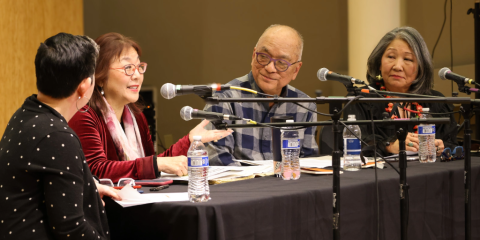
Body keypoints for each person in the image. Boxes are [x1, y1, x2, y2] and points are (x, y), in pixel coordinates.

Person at [0, 33, 120, 239]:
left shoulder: (25, 114)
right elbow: (71, 229)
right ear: (84, 86)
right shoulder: (58, 135)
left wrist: (88, 188)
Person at [69, 33, 232, 183]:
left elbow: (153, 165)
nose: (137, 75)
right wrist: (156, 164)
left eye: (139, 67)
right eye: (128, 68)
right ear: (100, 76)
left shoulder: (136, 117)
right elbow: (97, 170)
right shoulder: (84, 115)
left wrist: (189, 140)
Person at [203, 24, 319, 166]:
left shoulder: (304, 105)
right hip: (241, 186)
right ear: (253, 55)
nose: (270, 68)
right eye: (263, 57)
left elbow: (309, 163)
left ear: (296, 70)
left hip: (289, 186)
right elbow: (218, 160)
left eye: (282, 63)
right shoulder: (224, 98)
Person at [344, 26, 458, 156]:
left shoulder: (436, 102)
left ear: (421, 67)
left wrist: (440, 147)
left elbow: (453, 144)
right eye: (391, 57)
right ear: (379, 63)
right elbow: (353, 142)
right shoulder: (360, 99)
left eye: (408, 59)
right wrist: (388, 146)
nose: (397, 66)